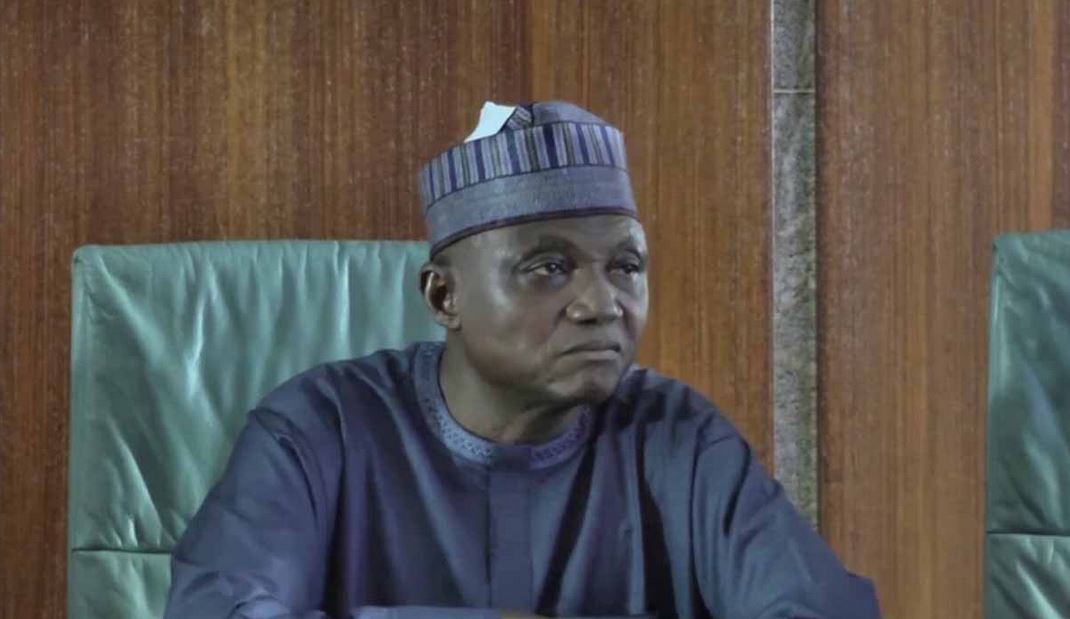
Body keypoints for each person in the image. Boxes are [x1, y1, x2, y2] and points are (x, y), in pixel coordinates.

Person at [164, 101, 880, 618]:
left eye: (626, 266)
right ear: (444, 296)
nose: (601, 304)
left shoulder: (677, 437)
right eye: (548, 268)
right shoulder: (320, 429)